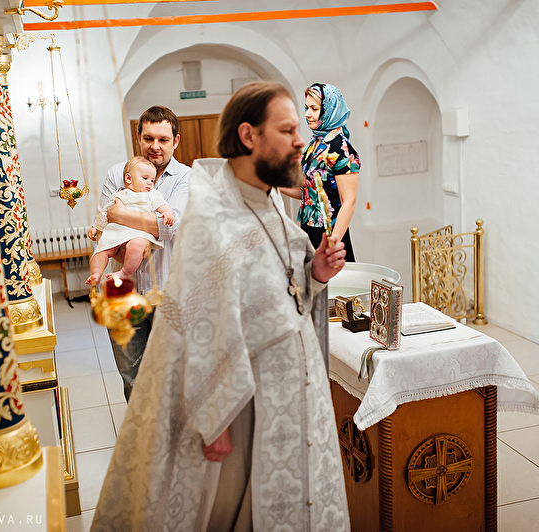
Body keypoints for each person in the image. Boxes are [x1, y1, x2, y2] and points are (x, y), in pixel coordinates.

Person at [90, 81, 350, 532]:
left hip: (288, 402)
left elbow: (280, 294)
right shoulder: (212, 213)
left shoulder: (267, 202)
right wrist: (214, 421)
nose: (300, 141)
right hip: (242, 411)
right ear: (249, 136)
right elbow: (199, 319)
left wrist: (316, 274)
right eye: (288, 130)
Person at [88, 106, 190, 401]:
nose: (155, 146)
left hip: (168, 291)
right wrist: (128, 224)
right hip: (123, 290)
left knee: (174, 374)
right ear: (138, 137)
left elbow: (170, 227)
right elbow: (105, 224)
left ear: (176, 141)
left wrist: (121, 216)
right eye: (148, 138)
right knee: (132, 374)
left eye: (163, 139)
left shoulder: (186, 177)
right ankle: (141, 430)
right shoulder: (117, 174)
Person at [280, 83, 361, 368]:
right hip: (307, 231)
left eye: (314, 108)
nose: (307, 114)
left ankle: (340, 367)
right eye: (306, 108)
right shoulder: (315, 145)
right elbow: (305, 192)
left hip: (329, 234)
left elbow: (349, 202)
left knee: (336, 308)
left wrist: (333, 243)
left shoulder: (343, 150)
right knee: (308, 301)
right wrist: (273, 185)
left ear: (330, 110)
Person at [85, 156, 174, 286]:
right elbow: (105, 212)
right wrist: (95, 227)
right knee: (102, 249)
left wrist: (167, 213)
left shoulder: (152, 195)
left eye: (152, 180)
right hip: (117, 232)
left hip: (138, 233)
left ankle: (125, 272)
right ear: (128, 178)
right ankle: (97, 273)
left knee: (137, 244)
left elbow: (162, 205)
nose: (150, 183)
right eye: (145, 178)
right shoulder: (119, 194)